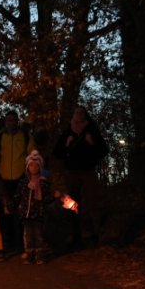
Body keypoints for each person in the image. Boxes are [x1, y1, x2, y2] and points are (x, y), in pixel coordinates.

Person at [52, 106, 109, 248]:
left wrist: (92, 144)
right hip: (71, 172)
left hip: (88, 171)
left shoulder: (92, 130)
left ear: (85, 115)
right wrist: (67, 145)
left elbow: (103, 150)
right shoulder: (68, 131)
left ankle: (94, 234)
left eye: (81, 112)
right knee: (72, 204)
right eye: (76, 112)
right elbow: (57, 152)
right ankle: (75, 235)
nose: (79, 114)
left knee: (92, 202)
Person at [0, 110, 35, 250]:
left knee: (21, 211)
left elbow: (32, 155)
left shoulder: (25, 136)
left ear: (17, 121)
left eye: (13, 120)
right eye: (8, 120)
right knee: (6, 211)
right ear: (5, 122)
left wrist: (29, 172)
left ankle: (21, 242)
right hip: (4, 178)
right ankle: (8, 241)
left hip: (20, 177)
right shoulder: (0, 137)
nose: (11, 122)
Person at [15, 150, 52, 264]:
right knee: (28, 235)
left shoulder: (43, 183)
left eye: (36, 165)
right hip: (26, 213)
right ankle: (30, 255)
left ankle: (39, 255)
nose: (34, 167)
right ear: (27, 167)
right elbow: (18, 195)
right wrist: (12, 205)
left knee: (39, 235)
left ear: (40, 167)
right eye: (31, 165)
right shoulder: (24, 182)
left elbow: (47, 198)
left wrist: (54, 197)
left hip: (38, 213)